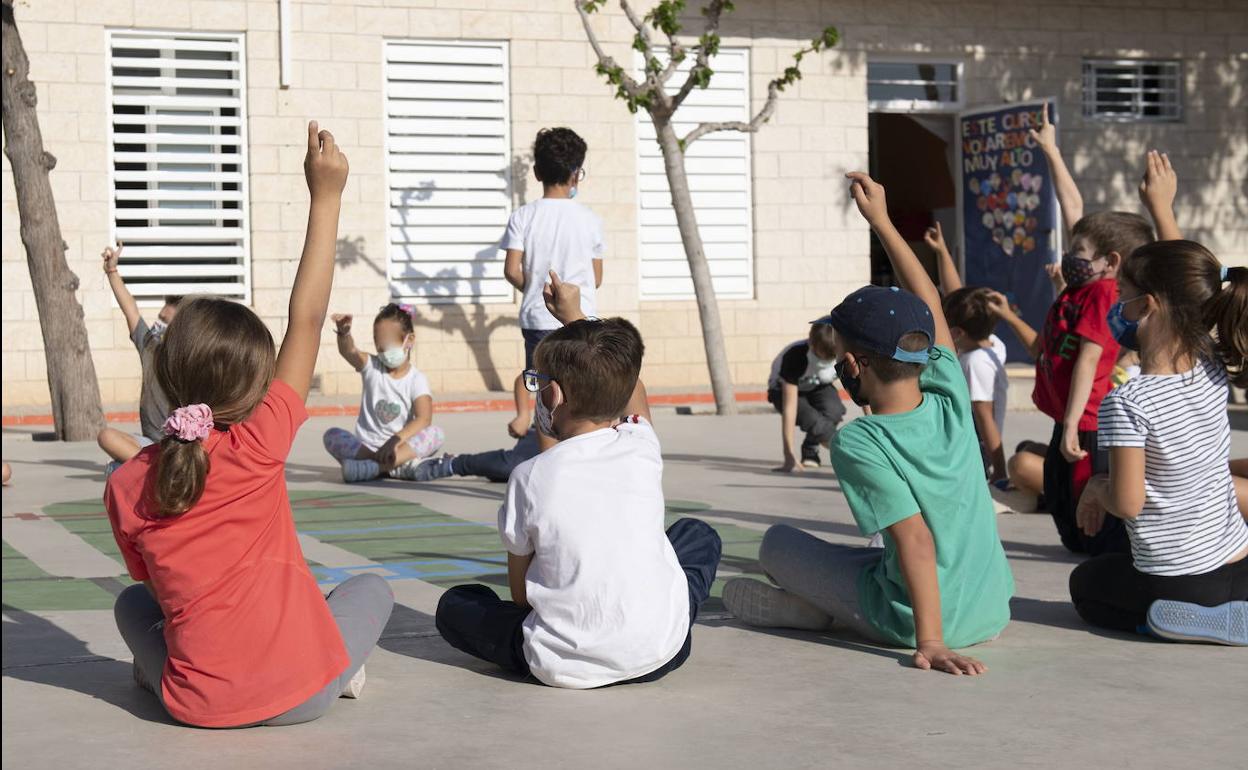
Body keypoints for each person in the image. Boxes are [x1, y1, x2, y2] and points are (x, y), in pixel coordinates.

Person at [105, 122, 395, 727]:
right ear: (257, 386)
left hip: (200, 707)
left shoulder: (127, 483)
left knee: (132, 606)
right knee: (371, 589)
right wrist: (326, 197)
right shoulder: (260, 442)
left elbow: (159, 594)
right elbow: (308, 321)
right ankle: (335, 666)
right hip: (303, 693)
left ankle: (158, 677)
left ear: (165, 369)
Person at [722, 172, 1013, 676]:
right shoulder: (948, 387)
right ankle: (832, 606)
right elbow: (926, 298)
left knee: (777, 545)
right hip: (990, 608)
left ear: (852, 367)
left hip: (923, 624)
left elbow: (916, 540)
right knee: (870, 559)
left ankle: (819, 614)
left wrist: (932, 642)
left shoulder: (861, 440)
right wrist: (882, 220)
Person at [435, 271, 722, 688]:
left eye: (538, 384)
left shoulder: (529, 477)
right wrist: (575, 316)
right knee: (696, 534)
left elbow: (521, 597)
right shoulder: (641, 444)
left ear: (552, 397)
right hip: (664, 650)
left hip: (564, 665)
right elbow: (632, 383)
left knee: (457, 606)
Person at [1069, 225, 1247, 645]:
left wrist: (1096, 487)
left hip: (1179, 584)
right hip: (1240, 565)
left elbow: (1128, 503)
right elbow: (1188, 279)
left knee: (1086, 584)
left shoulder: (1128, 402)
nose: (1116, 308)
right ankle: (1226, 610)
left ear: (1146, 305)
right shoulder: (1211, 366)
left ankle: (1165, 619)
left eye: (1120, 297)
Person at [991, 117, 1157, 555]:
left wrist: (1070, 421)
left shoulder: (1103, 293)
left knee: (1088, 512)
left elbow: (1088, 358)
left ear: (1111, 261)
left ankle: (1110, 552)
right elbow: (1074, 207)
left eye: (1079, 251)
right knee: (1064, 504)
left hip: (1086, 421)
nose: (1070, 256)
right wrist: (1051, 151)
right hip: (1069, 416)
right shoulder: (1088, 283)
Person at [502, 128, 604, 444]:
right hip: (580, 319)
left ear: (536, 172)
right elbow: (596, 278)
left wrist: (535, 287)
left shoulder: (523, 216)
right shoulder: (589, 219)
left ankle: (547, 466)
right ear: (577, 174)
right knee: (581, 394)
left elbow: (511, 270)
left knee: (546, 394)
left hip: (538, 319)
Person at [322, 304, 445, 482]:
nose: (383, 353)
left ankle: (375, 468)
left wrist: (394, 441)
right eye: (380, 348)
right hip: (366, 449)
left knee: (436, 434)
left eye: (388, 346)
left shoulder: (416, 379)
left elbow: (424, 419)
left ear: (409, 340)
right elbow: (349, 351)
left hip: (398, 447)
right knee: (331, 435)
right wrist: (344, 333)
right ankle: (395, 467)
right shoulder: (371, 366)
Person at [925, 223, 1009, 484]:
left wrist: (1000, 472)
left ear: (958, 332)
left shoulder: (975, 363)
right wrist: (942, 252)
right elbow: (956, 293)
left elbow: (985, 418)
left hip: (974, 451)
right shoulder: (992, 343)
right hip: (965, 444)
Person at [96, 243, 182, 467]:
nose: (159, 324)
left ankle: (160, 469)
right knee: (107, 438)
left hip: (180, 447)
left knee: (117, 469)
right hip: (149, 446)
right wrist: (111, 271)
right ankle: (156, 469)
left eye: (166, 321)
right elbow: (131, 310)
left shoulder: (191, 361)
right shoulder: (150, 348)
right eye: (160, 317)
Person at [767, 323, 846, 472]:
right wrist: (788, 454)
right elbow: (790, 407)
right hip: (782, 390)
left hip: (818, 385)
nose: (824, 363)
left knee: (834, 410)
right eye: (820, 358)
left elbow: (863, 392)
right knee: (813, 420)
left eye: (830, 359)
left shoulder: (843, 354)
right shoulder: (796, 356)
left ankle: (810, 450)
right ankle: (848, 453)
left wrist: (875, 422)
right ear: (810, 344)